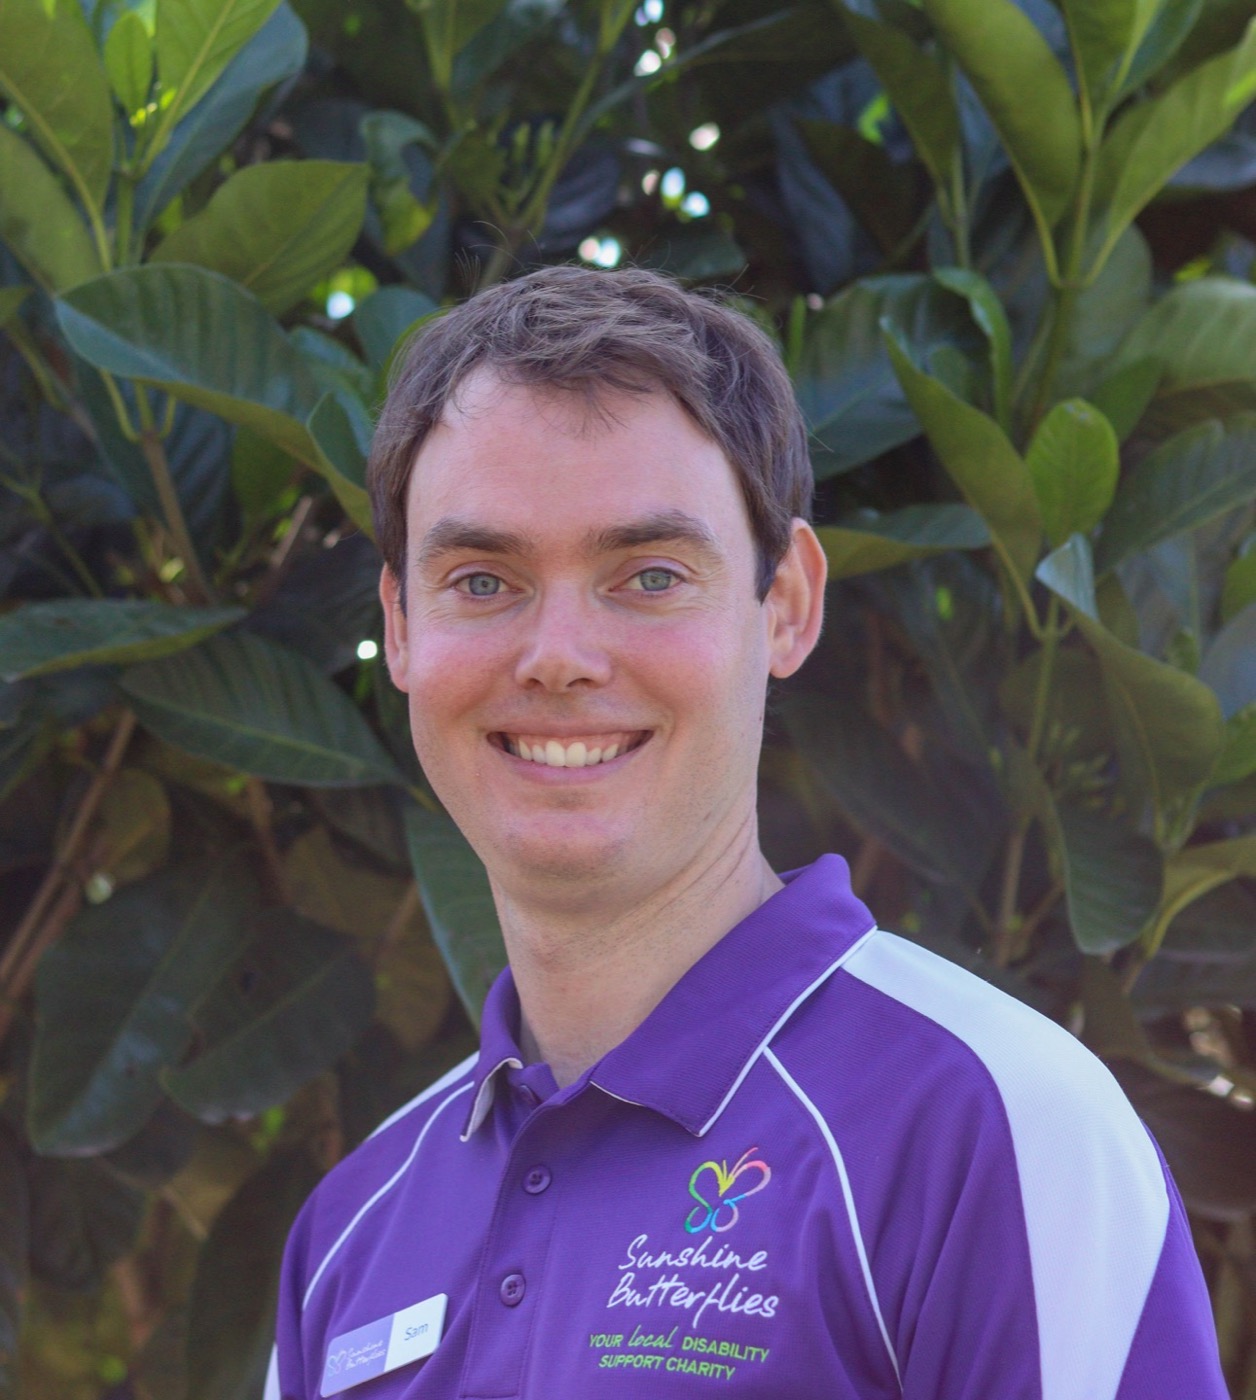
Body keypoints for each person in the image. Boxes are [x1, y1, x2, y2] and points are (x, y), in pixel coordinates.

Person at [266, 266, 1226, 1399]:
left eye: (649, 575)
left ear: (787, 604)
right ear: (400, 626)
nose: (558, 654)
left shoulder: (992, 1125)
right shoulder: (349, 1233)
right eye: (482, 581)